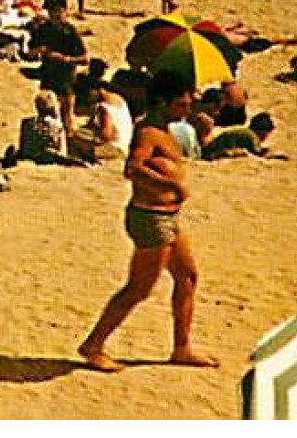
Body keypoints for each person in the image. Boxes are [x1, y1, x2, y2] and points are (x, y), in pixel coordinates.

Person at [78, 68, 217, 372]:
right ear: (162, 103)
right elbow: (132, 168)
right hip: (150, 217)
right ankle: (93, 345)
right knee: (139, 288)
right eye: (181, 104)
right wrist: (171, 186)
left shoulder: (165, 130)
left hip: (167, 216)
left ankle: (182, 348)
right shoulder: (148, 132)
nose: (187, 109)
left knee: (188, 277)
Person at [29, 0, 88, 130]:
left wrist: (66, 59)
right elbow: (29, 52)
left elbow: (84, 58)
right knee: (47, 118)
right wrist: (39, 50)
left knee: (67, 119)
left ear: (65, 12)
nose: (56, 15)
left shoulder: (70, 32)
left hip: (66, 79)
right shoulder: (43, 29)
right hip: (47, 76)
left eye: (59, 11)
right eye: (53, 11)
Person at [70, 80, 135, 163]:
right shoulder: (119, 99)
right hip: (123, 146)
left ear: (96, 90)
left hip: (113, 148)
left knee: (74, 140)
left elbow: (106, 135)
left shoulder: (103, 107)